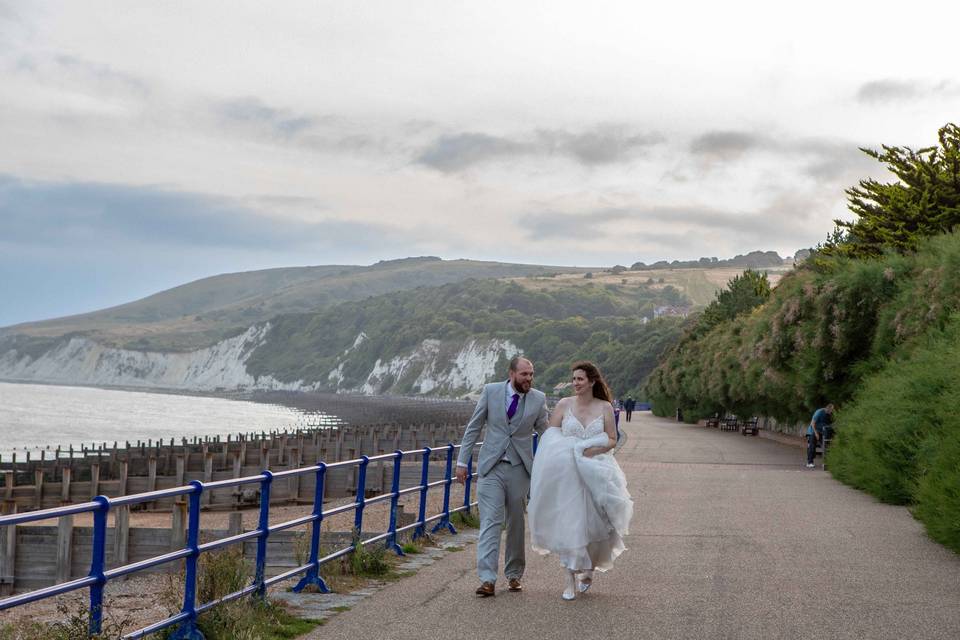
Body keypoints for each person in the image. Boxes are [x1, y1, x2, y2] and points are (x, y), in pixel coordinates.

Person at [527, 361, 634, 600]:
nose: (575, 383)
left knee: (598, 523)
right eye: (574, 379)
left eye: (580, 379)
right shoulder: (565, 404)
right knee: (570, 522)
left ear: (592, 381)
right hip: (568, 473)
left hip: (596, 470)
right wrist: (563, 456)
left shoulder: (605, 406)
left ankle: (589, 569)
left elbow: (612, 439)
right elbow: (550, 436)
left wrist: (591, 450)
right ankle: (568, 580)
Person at [454, 356, 548, 597]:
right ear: (512, 374)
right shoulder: (490, 391)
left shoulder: (538, 399)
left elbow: (545, 433)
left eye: (531, 374)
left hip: (520, 469)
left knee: (516, 522)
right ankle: (487, 579)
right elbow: (473, 427)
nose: (529, 379)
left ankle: (514, 574)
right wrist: (462, 462)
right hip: (490, 467)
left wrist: (558, 459)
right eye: (524, 374)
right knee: (490, 522)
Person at [806, 403, 834, 468]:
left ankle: (827, 463)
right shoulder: (819, 412)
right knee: (812, 446)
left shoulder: (830, 415)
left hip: (822, 432)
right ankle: (810, 462)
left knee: (826, 446)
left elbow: (829, 425)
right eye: (830, 410)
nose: (831, 412)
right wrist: (816, 433)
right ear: (827, 408)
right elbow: (812, 423)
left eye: (832, 411)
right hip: (813, 431)